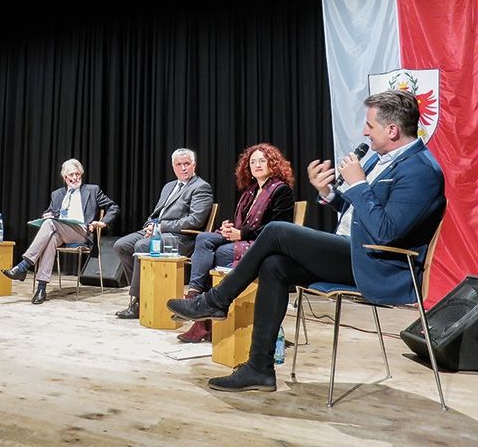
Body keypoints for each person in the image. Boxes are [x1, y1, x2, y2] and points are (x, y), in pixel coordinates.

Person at [167, 90, 446, 392]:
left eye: (370, 126)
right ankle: (259, 368)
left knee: (276, 230)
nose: (365, 132)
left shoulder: (421, 170)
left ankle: (215, 302)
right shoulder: (384, 161)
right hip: (353, 253)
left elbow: (385, 232)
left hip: (378, 265)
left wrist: (358, 184)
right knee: (275, 265)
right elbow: (361, 213)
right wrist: (329, 193)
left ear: (392, 130)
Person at [178, 143, 295, 343]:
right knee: (203, 238)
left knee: (220, 253)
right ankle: (194, 295)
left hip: (264, 244)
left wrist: (241, 233)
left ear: (273, 163)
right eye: (253, 162)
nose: (257, 165)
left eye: (262, 160)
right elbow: (243, 224)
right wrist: (229, 228)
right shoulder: (251, 191)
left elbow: (277, 228)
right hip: (245, 237)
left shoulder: (281, 190)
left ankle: (202, 321)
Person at [2, 159, 120, 305]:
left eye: (78, 174)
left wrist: (102, 222)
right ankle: (41, 289)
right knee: (51, 237)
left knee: (50, 224)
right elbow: (50, 212)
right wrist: (46, 215)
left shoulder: (92, 190)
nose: (75, 178)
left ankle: (23, 266)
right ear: (65, 177)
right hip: (62, 232)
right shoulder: (57, 194)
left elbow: (114, 207)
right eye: (72, 175)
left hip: (82, 232)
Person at [113, 148, 213, 319]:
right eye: (179, 164)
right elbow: (156, 214)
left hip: (181, 238)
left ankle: (138, 302)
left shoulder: (201, 187)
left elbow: (195, 220)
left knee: (142, 245)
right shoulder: (169, 186)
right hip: (158, 232)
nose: (183, 168)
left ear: (194, 165)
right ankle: (145, 292)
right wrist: (150, 226)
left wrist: (161, 228)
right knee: (121, 245)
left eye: (186, 164)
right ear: (173, 167)